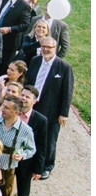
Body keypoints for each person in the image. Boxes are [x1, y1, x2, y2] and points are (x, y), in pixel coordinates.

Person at [25, 38, 74, 178]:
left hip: (52, 110)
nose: (46, 50)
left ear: (55, 48)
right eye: (43, 46)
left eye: (49, 47)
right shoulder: (35, 60)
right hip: (34, 106)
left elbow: (67, 92)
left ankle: (47, 165)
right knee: (30, 134)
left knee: (49, 139)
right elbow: (29, 81)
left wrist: (64, 113)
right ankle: (31, 160)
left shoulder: (64, 67)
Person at [0, 97, 37, 196]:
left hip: (7, 170)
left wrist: (22, 155)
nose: (2, 109)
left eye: (6, 108)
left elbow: (31, 149)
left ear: (17, 113)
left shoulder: (26, 130)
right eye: (3, 106)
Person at [12, 86, 49, 196]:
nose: (24, 99)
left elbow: (41, 145)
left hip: (26, 163)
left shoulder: (40, 120)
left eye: (28, 97)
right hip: (8, 159)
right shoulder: (12, 111)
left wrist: (38, 169)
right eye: (23, 95)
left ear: (34, 101)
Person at [0, 0, 34, 73]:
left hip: (10, 43)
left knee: (4, 67)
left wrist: (10, 29)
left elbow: (25, 25)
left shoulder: (24, 6)